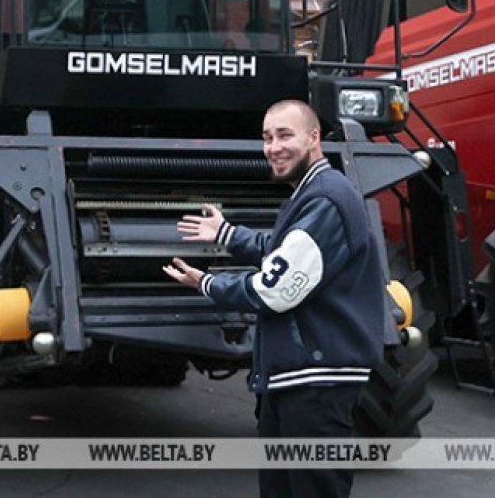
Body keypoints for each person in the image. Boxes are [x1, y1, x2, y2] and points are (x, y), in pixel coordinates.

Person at [163, 99, 386, 498]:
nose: (273, 147)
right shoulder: (313, 194)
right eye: (267, 138)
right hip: (299, 382)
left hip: (315, 386)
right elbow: (282, 253)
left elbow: (275, 289)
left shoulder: (325, 201)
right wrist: (228, 234)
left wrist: (207, 284)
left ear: (314, 137)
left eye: (285, 135)